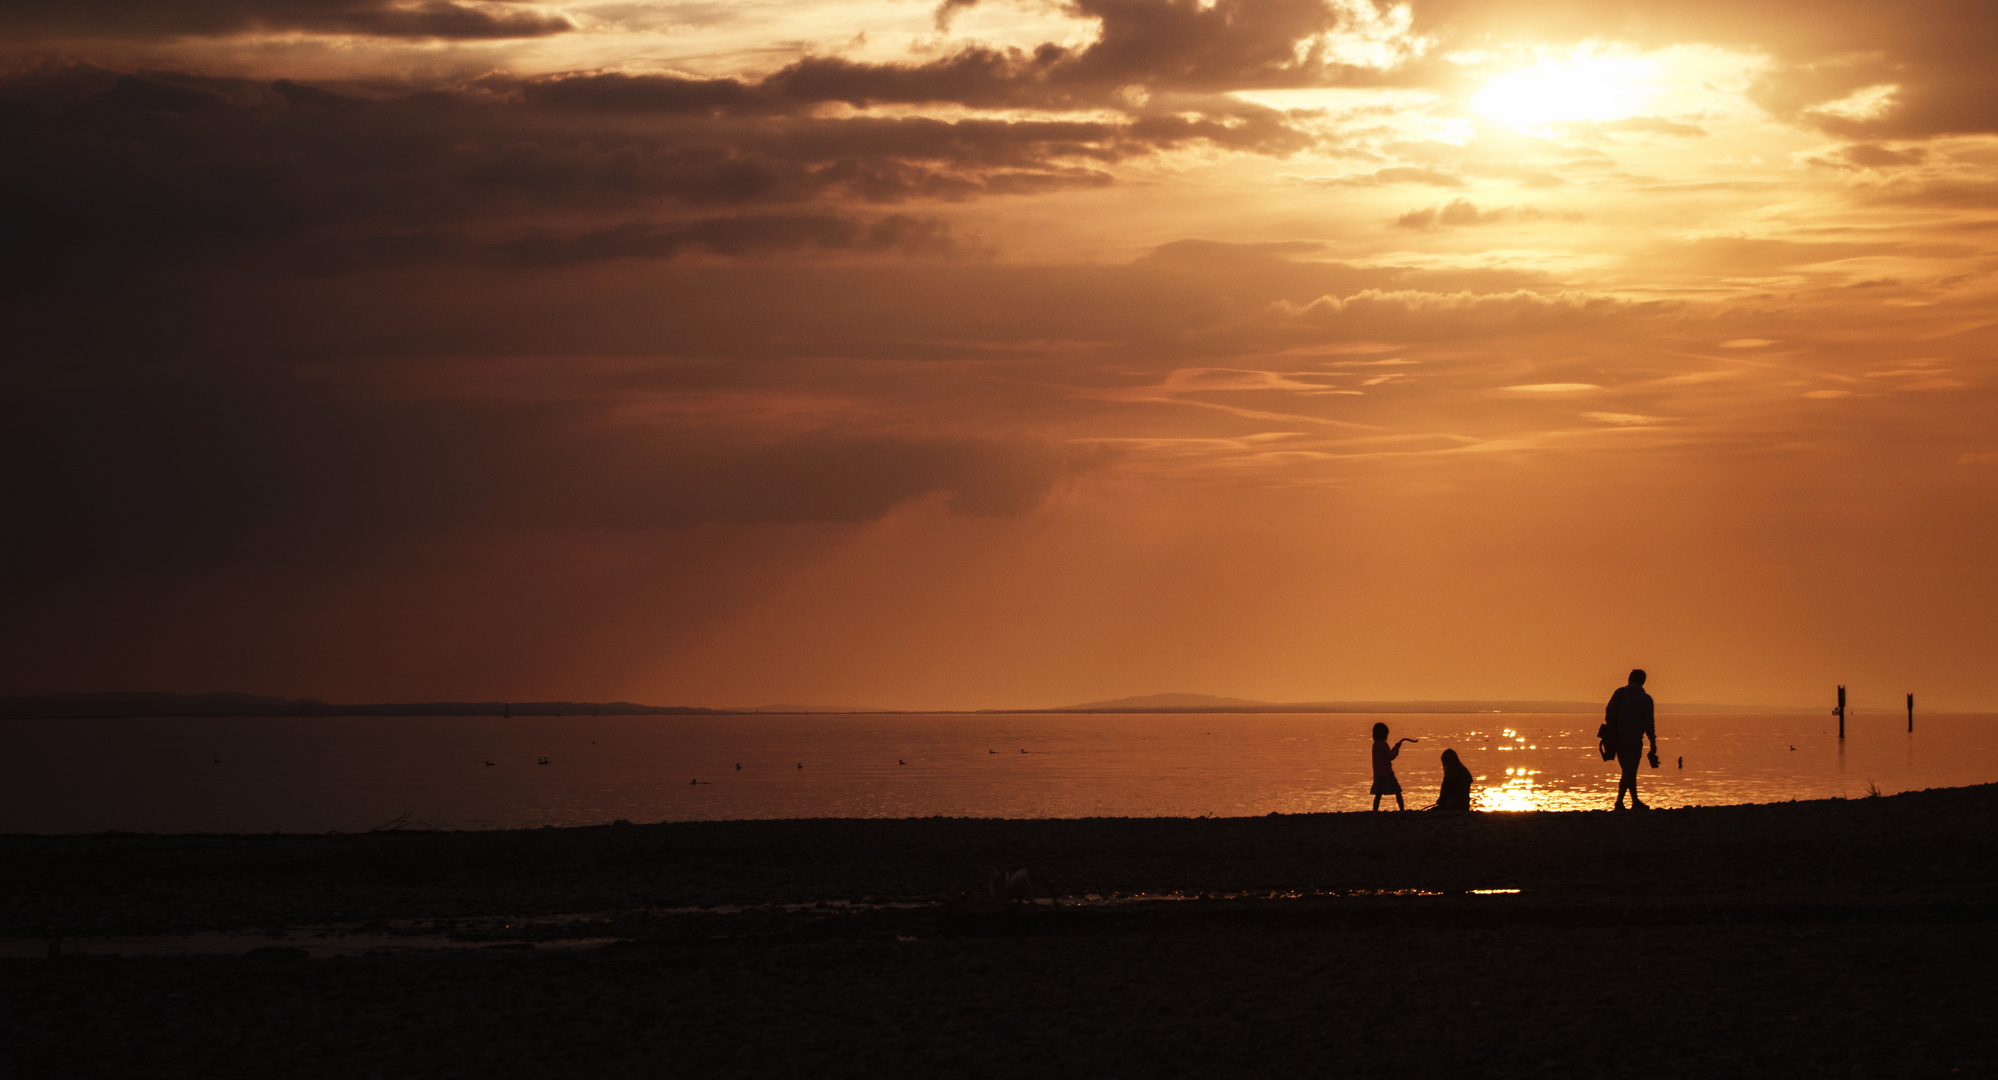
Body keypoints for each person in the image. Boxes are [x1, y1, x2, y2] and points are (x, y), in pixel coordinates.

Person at [1605, 669, 1659, 810]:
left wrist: (1614, 728)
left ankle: (1633, 801)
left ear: (1630, 678)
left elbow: (1609, 713)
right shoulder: (1646, 699)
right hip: (1634, 739)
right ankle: (1620, 802)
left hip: (1618, 738)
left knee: (1628, 771)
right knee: (1630, 771)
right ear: (1642, 681)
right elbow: (1649, 724)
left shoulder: (1619, 693)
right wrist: (1652, 742)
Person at [1370, 722, 1417, 810]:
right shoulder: (1384, 744)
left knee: (1378, 794)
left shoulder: (1375, 745)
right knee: (1397, 791)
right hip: (1387, 773)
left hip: (1378, 774)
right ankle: (1402, 809)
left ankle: (1374, 811)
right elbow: (1391, 756)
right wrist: (1396, 748)